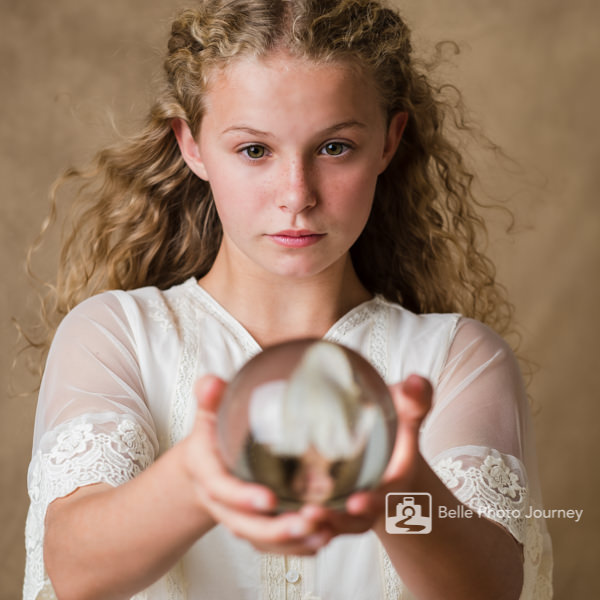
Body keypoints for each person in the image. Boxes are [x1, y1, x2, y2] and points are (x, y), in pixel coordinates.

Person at [22, 0, 553, 598]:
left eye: (334, 148)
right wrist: (201, 471)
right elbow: (75, 569)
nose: (296, 196)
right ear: (192, 145)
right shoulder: (116, 335)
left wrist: (394, 486)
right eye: (254, 150)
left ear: (388, 141)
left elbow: (488, 588)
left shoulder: (455, 359)